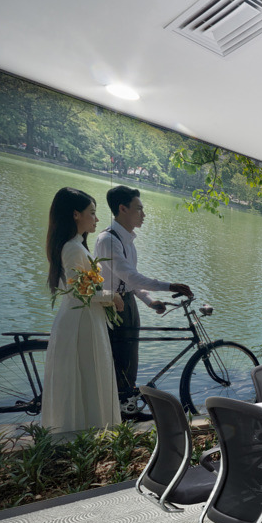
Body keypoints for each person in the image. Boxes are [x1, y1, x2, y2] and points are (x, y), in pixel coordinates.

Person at [94, 185, 193, 419]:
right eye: (139, 209)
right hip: (112, 305)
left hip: (127, 302)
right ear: (122, 209)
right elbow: (130, 277)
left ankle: (126, 407)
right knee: (119, 359)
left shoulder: (127, 240)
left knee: (130, 358)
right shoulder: (109, 239)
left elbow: (129, 282)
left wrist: (149, 301)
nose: (143, 214)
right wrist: (169, 286)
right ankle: (120, 410)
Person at [41, 187, 123, 434]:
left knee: (83, 378)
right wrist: (112, 296)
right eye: (92, 213)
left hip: (81, 319)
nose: (97, 219)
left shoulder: (72, 245)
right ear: (76, 215)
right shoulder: (74, 248)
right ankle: (83, 433)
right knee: (87, 377)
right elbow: (80, 291)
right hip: (81, 323)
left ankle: (82, 433)